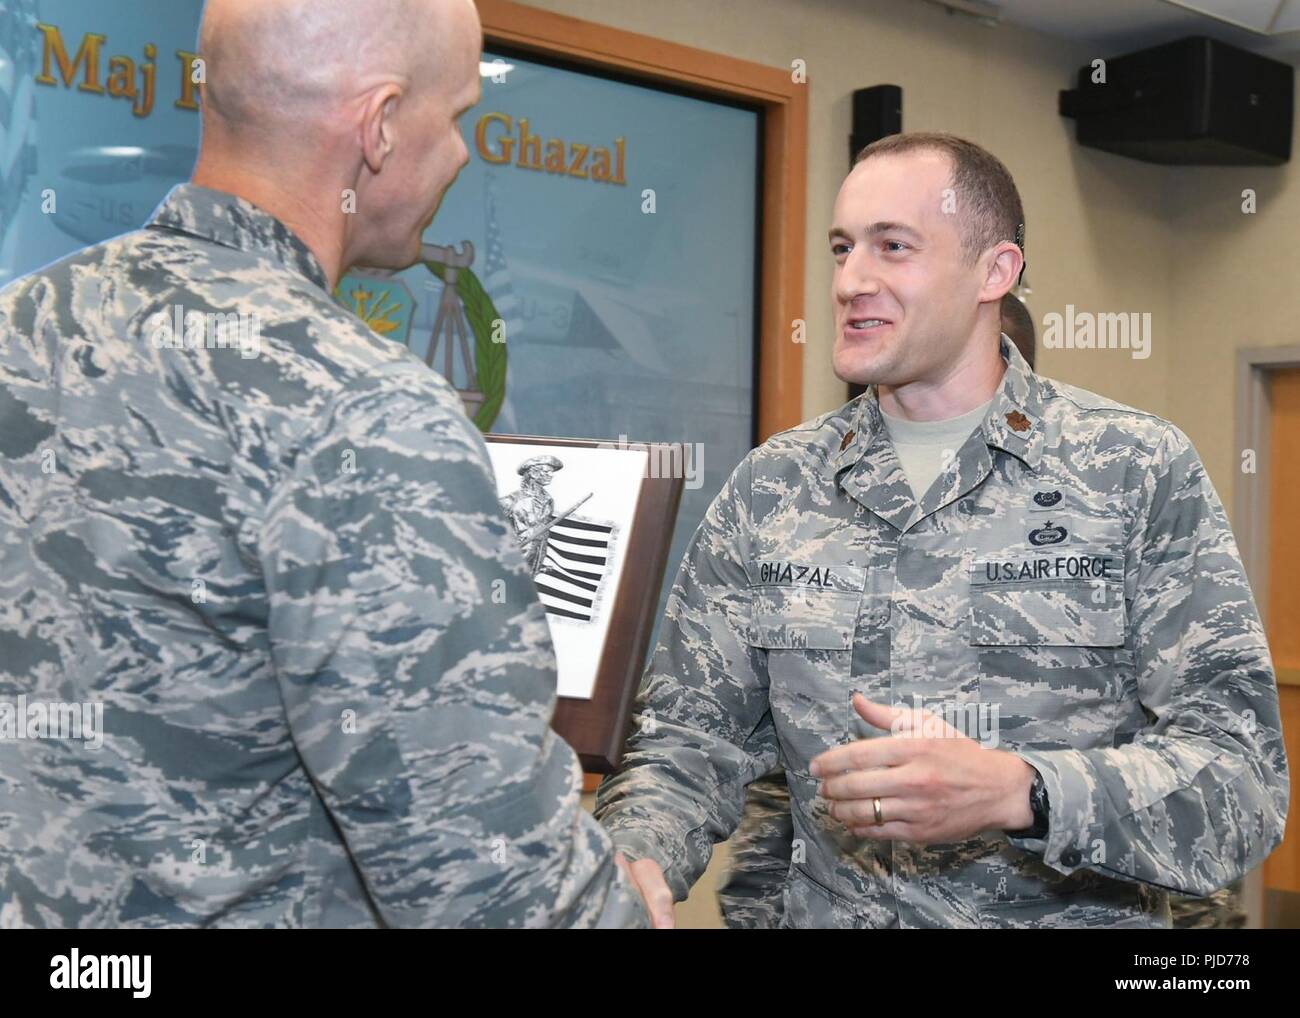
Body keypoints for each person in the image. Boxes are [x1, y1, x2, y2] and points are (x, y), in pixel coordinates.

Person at [0, 0, 644, 928]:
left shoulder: (21, 325)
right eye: (456, 116)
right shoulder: (366, 412)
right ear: (379, 126)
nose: (461, 154)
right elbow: (496, 890)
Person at [596, 132, 1288, 929]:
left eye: (894, 247)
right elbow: (688, 739)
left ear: (995, 271)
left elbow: (1241, 783)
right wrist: (636, 852)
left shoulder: (1132, 468)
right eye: (842, 247)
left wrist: (1021, 791)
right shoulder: (773, 488)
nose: (852, 280)